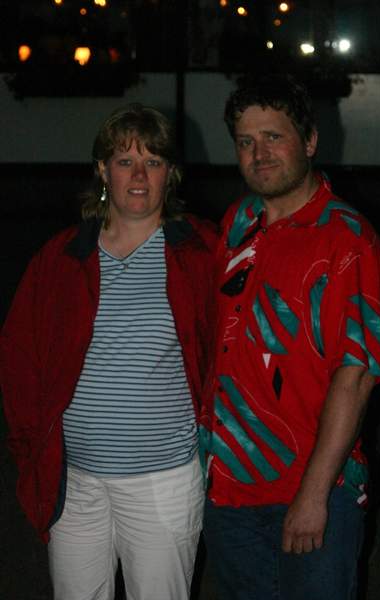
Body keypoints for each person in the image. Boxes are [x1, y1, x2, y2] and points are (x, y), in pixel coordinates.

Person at [0, 103, 217, 600]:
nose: (139, 176)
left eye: (153, 162)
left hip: (163, 481)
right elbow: (19, 358)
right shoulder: (61, 257)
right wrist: (32, 448)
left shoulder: (200, 252)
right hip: (76, 483)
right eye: (125, 161)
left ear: (170, 173)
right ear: (102, 169)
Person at [200, 74, 380, 599]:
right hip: (229, 488)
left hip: (310, 487)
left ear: (309, 141)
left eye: (273, 137)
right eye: (246, 141)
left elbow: (356, 377)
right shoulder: (237, 222)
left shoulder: (347, 239)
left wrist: (313, 494)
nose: (259, 154)